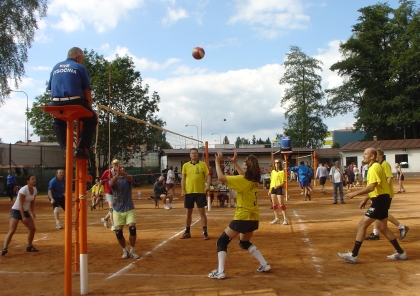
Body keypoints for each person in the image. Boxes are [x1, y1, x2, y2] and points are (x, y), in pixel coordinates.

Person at [208, 152, 271, 279]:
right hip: (253, 217)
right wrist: (235, 163)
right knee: (244, 242)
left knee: (222, 241)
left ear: (247, 166)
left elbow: (220, 177)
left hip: (243, 216)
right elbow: (243, 174)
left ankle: (220, 271)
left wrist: (217, 161)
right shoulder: (253, 179)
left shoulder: (243, 180)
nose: (243, 163)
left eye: (244, 162)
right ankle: (264, 264)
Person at [338, 148, 407, 264]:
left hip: (380, 200)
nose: (363, 156)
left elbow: (372, 187)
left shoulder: (374, 167)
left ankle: (353, 255)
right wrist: (366, 198)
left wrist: (354, 193)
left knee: (362, 225)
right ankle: (401, 253)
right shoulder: (374, 167)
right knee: (382, 228)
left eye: (366, 154)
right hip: (382, 199)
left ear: (372, 157)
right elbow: (376, 187)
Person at [47, 47, 98, 159]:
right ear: (78, 57)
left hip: (55, 102)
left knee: (57, 120)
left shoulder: (55, 67)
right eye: (82, 59)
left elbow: (50, 88)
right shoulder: (80, 67)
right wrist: (90, 107)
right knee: (92, 119)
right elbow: (87, 90)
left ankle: (65, 147)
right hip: (75, 101)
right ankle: (80, 148)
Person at [365, 149, 409, 241]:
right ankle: (375, 232)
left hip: (384, 194)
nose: (374, 157)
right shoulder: (378, 165)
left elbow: (389, 177)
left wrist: (384, 190)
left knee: (381, 213)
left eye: (376, 155)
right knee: (378, 214)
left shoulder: (385, 164)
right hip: (379, 193)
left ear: (380, 155)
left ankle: (401, 227)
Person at [1, 175, 39, 256]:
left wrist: (33, 212)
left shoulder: (35, 190)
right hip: (16, 210)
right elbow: (21, 204)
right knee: (12, 230)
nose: (34, 180)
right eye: (32, 179)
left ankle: (29, 246)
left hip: (24, 211)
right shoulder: (24, 189)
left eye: (34, 179)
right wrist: (23, 217)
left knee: (32, 229)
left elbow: (32, 202)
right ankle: (4, 248)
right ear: (27, 181)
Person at [180, 148, 211, 240]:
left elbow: (208, 175)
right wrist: (182, 190)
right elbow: (183, 179)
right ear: (190, 155)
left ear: (198, 155)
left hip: (200, 192)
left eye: (195, 153)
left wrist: (208, 186)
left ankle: (205, 232)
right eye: (192, 153)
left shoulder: (202, 164)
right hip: (189, 192)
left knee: (202, 212)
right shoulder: (185, 165)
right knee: (188, 212)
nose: (194, 155)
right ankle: (187, 231)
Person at [109, 166, 139, 259]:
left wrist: (123, 174)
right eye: (119, 169)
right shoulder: (113, 179)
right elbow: (111, 183)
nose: (121, 170)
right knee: (118, 232)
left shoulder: (127, 179)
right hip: (117, 210)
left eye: (122, 169)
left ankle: (132, 250)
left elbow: (130, 178)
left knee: (132, 229)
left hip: (129, 208)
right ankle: (125, 250)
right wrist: (117, 175)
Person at [98, 159, 120, 231]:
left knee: (114, 208)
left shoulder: (119, 172)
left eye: (117, 164)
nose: (116, 165)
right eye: (115, 164)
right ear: (112, 165)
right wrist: (98, 190)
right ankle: (113, 225)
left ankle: (105, 219)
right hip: (108, 191)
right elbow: (101, 180)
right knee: (111, 208)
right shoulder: (107, 172)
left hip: (115, 192)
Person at [268, 159, 289, 225]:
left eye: (277, 163)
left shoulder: (282, 172)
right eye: (275, 163)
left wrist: (278, 186)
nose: (276, 164)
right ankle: (276, 218)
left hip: (279, 188)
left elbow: (284, 182)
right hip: (273, 189)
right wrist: (270, 190)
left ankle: (285, 219)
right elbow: (271, 181)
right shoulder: (273, 172)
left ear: (280, 164)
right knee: (274, 205)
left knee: (281, 205)